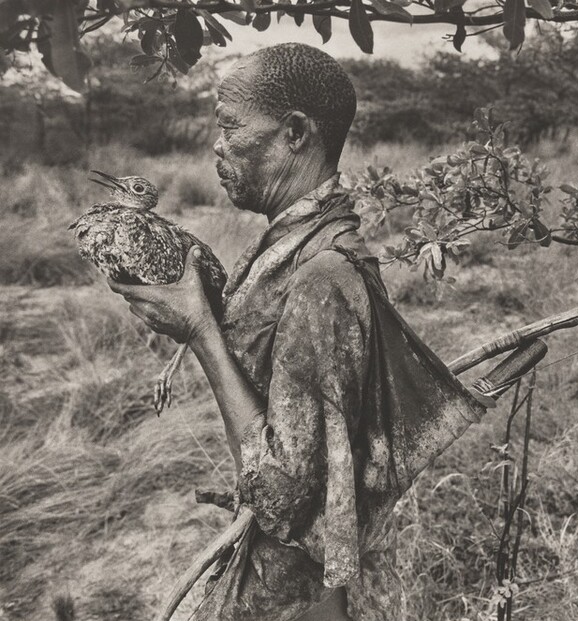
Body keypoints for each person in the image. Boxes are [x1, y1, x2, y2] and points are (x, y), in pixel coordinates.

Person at [107, 43, 485, 620]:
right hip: (299, 581)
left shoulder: (323, 279)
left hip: (287, 588)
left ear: (294, 133)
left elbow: (284, 496)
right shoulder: (293, 241)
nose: (217, 144)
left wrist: (201, 331)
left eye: (231, 126)